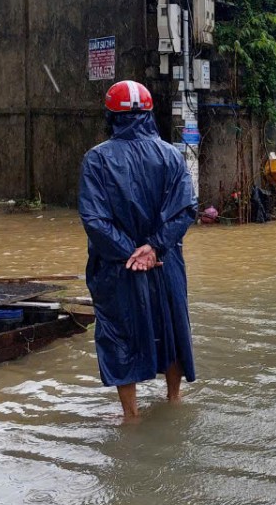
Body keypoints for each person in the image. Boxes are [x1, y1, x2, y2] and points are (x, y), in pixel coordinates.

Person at [79, 80, 198, 421]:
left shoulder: (96, 159)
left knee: (120, 335)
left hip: (119, 266)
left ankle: (131, 417)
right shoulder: (172, 156)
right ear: (148, 113)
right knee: (172, 328)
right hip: (165, 261)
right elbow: (185, 210)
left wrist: (130, 253)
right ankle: (173, 400)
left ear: (110, 116)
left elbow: (94, 219)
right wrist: (153, 248)